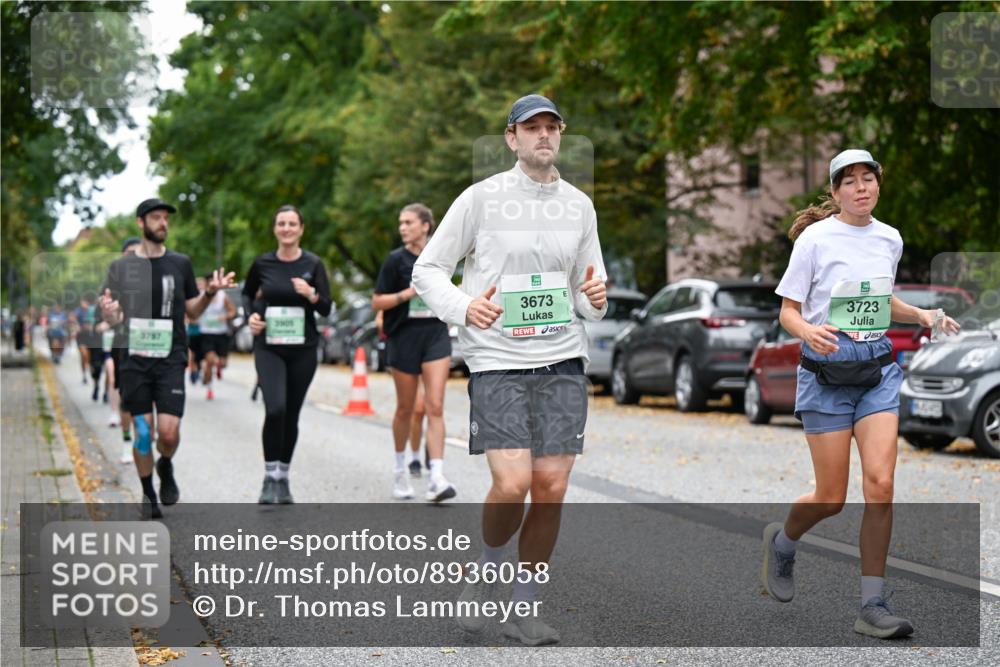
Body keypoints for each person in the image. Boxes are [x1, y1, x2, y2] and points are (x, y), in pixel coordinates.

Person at [412, 94, 608, 645]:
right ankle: (487, 569)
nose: (543, 135)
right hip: (497, 359)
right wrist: (462, 306)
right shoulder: (480, 199)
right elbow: (428, 269)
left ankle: (526, 607)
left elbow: (590, 292)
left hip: (564, 357)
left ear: (560, 135)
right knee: (512, 482)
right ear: (511, 139)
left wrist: (595, 295)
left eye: (552, 127)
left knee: (550, 487)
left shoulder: (580, 206)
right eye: (531, 128)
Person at [761, 149, 961, 639]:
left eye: (867, 178)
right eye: (848, 181)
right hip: (825, 377)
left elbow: (879, 299)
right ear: (834, 192)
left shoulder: (888, 238)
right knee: (831, 498)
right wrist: (807, 332)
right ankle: (784, 543)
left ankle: (872, 604)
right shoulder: (814, 239)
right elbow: (789, 310)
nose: (860, 188)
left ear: (877, 184)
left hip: (876, 373)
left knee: (881, 485)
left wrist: (923, 316)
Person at [100, 199, 235, 518]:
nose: (163, 223)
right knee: (143, 433)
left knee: (169, 434)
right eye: (156, 218)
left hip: (171, 357)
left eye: (165, 219)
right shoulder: (121, 268)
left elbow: (192, 311)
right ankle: (148, 492)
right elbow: (115, 314)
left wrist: (210, 293)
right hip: (134, 359)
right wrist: (111, 313)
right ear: (141, 223)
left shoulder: (180, 264)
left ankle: (166, 463)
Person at [243, 205, 331, 504]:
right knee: (275, 409)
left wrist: (311, 294)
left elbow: (326, 307)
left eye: (292, 223)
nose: (287, 228)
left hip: (303, 350)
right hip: (269, 347)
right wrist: (251, 317)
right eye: (281, 223)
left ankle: (283, 477)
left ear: (301, 229)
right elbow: (247, 293)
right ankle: (269, 477)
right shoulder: (263, 263)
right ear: (275, 229)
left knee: (291, 414)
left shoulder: (313, 264)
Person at [373, 203, 455, 502]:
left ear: (425, 226)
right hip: (403, 336)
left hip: (435, 335)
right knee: (406, 409)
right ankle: (399, 470)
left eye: (408, 222)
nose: (403, 227)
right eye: (401, 223)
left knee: (434, 405)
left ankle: (436, 476)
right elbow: (377, 302)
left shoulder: (441, 258)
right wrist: (407, 294)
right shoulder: (395, 261)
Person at [110, 237, 141, 463]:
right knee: (127, 398)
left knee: (149, 398)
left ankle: (146, 437)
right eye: (128, 253)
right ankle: (126, 440)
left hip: (151, 347)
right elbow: (110, 314)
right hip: (123, 345)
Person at [196, 273, 237, 400]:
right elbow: (194, 311)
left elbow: (233, 311)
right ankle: (209, 387)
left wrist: (224, 317)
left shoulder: (222, 297)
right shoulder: (202, 296)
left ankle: (216, 368)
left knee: (223, 363)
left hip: (221, 333)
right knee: (210, 359)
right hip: (206, 333)